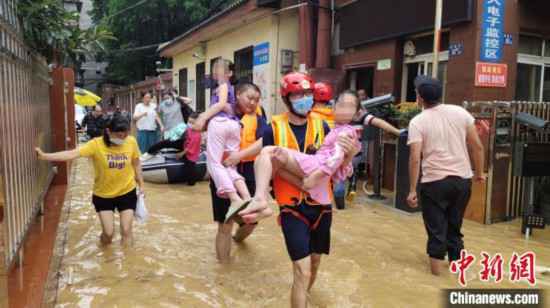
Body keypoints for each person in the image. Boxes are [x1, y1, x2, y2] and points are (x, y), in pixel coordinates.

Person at [239, 72, 356, 308]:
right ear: (287, 98)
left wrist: (350, 154)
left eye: (307, 94)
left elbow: (338, 167)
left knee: (314, 264)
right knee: (301, 271)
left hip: (322, 208)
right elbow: (268, 166)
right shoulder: (273, 128)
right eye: (298, 95)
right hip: (292, 208)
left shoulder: (324, 126)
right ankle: (259, 202)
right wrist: (301, 183)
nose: (305, 99)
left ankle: (303, 297)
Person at [238, 90, 366, 224]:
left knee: (269, 152)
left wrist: (316, 176)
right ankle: (261, 203)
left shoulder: (336, 129)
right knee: (266, 158)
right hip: (303, 187)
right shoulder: (334, 127)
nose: (345, 109)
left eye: (350, 106)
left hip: (317, 169)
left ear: (356, 113)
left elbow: (336, 159)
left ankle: (260, 200)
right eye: (342, 105)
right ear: (333, 107)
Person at [406, 75, 485, 276]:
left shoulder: (417, 122)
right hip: (462, 182)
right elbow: (477, 146)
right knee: (454, 228)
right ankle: (457, 275)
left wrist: (412, 190)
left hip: (434, 184)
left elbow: (415, 158)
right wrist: (479, 173)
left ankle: (436, 279)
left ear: (420, 98)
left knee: (436, 231)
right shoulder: (461, 113)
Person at [35, 113, 143, 246]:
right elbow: (72, 154)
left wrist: (141, 184)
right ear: (108, 131)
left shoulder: (131, 141)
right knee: (108, 234)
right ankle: (104, 253)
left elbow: (136, 162)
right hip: (104, 195)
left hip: (127, 192)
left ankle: (127, 263)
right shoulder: (95, 145)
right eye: (120, 136)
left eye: (126, 134)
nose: (123, 139)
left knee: (126, 231)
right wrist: (45, 156)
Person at [209, 82, 268, 263]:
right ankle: (224, 269)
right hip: (224, 171)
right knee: (224, 224)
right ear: (239, 94)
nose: (252, 103)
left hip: (249, 171)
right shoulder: (223, 112)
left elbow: (265, 141)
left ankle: (238, 239)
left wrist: (239, 156)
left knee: (251, 221)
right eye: (249, 98)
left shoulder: (259, 117)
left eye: (256, 100)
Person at [193, 58, 250, 210]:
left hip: (219, 125)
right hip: (233, 126)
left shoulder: (223, 86)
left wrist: (203, 116)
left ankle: (234, 198)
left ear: (229, 73)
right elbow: (229, 107)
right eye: (215, 68)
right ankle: (246, 197)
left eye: (219, 68)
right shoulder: (231, 88)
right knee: (229, 165)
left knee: (214, 164)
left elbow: (220, 104)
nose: (215, 71)